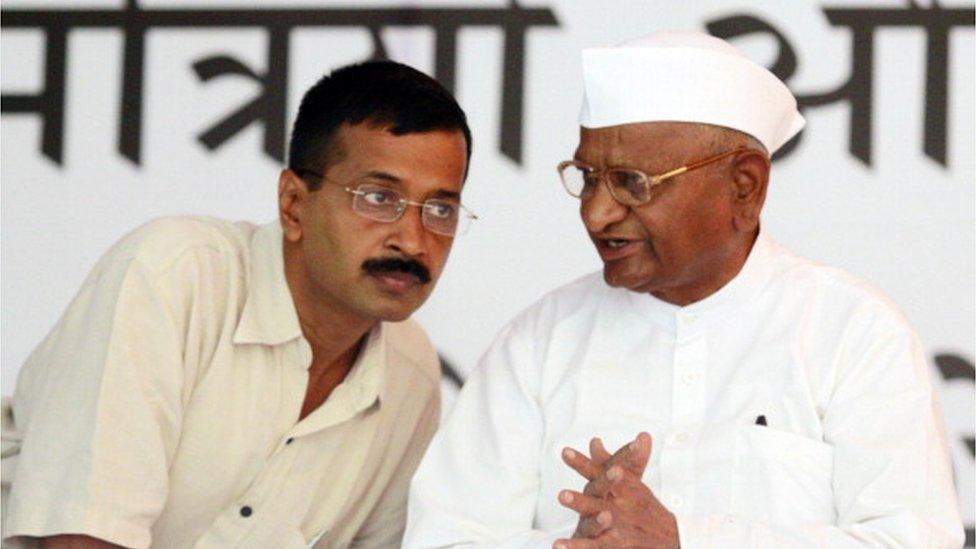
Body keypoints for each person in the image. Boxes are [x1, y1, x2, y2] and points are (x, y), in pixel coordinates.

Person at [403, 32, 964, 548]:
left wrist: (686, 540)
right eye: (589, 178)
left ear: (744, 187)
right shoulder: (540, 343)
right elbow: (444, 539)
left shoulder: (852, 332)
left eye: (633, 183)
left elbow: (913, 540)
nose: (597, 214)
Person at [2, 60, 476, 548]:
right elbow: (81, 539)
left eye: (441, 210)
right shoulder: (173, 276)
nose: (414, 241)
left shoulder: (410, 373)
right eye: (378, 197)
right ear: (294, 204)